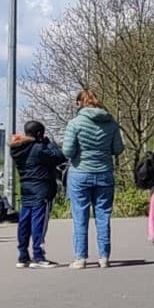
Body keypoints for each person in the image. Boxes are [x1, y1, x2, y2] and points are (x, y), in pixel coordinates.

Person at [61, 88, 124, 269]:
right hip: (104, 172)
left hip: (80, 173)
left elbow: (67, 151)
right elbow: (118, 149)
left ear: (80, 103)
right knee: (103, 216)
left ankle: (81, 258)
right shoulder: (111, 123)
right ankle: (104, 257)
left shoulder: (75, 123)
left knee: (80, 216)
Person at [10, 121, 66, 268]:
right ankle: (38, 256)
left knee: (24, 222)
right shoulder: (39, 148)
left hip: (26, 189)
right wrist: (49, 143)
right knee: (39, 223)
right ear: (40, 134)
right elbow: (60, 156)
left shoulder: (16, 149)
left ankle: (23, 255)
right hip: (41, 189)